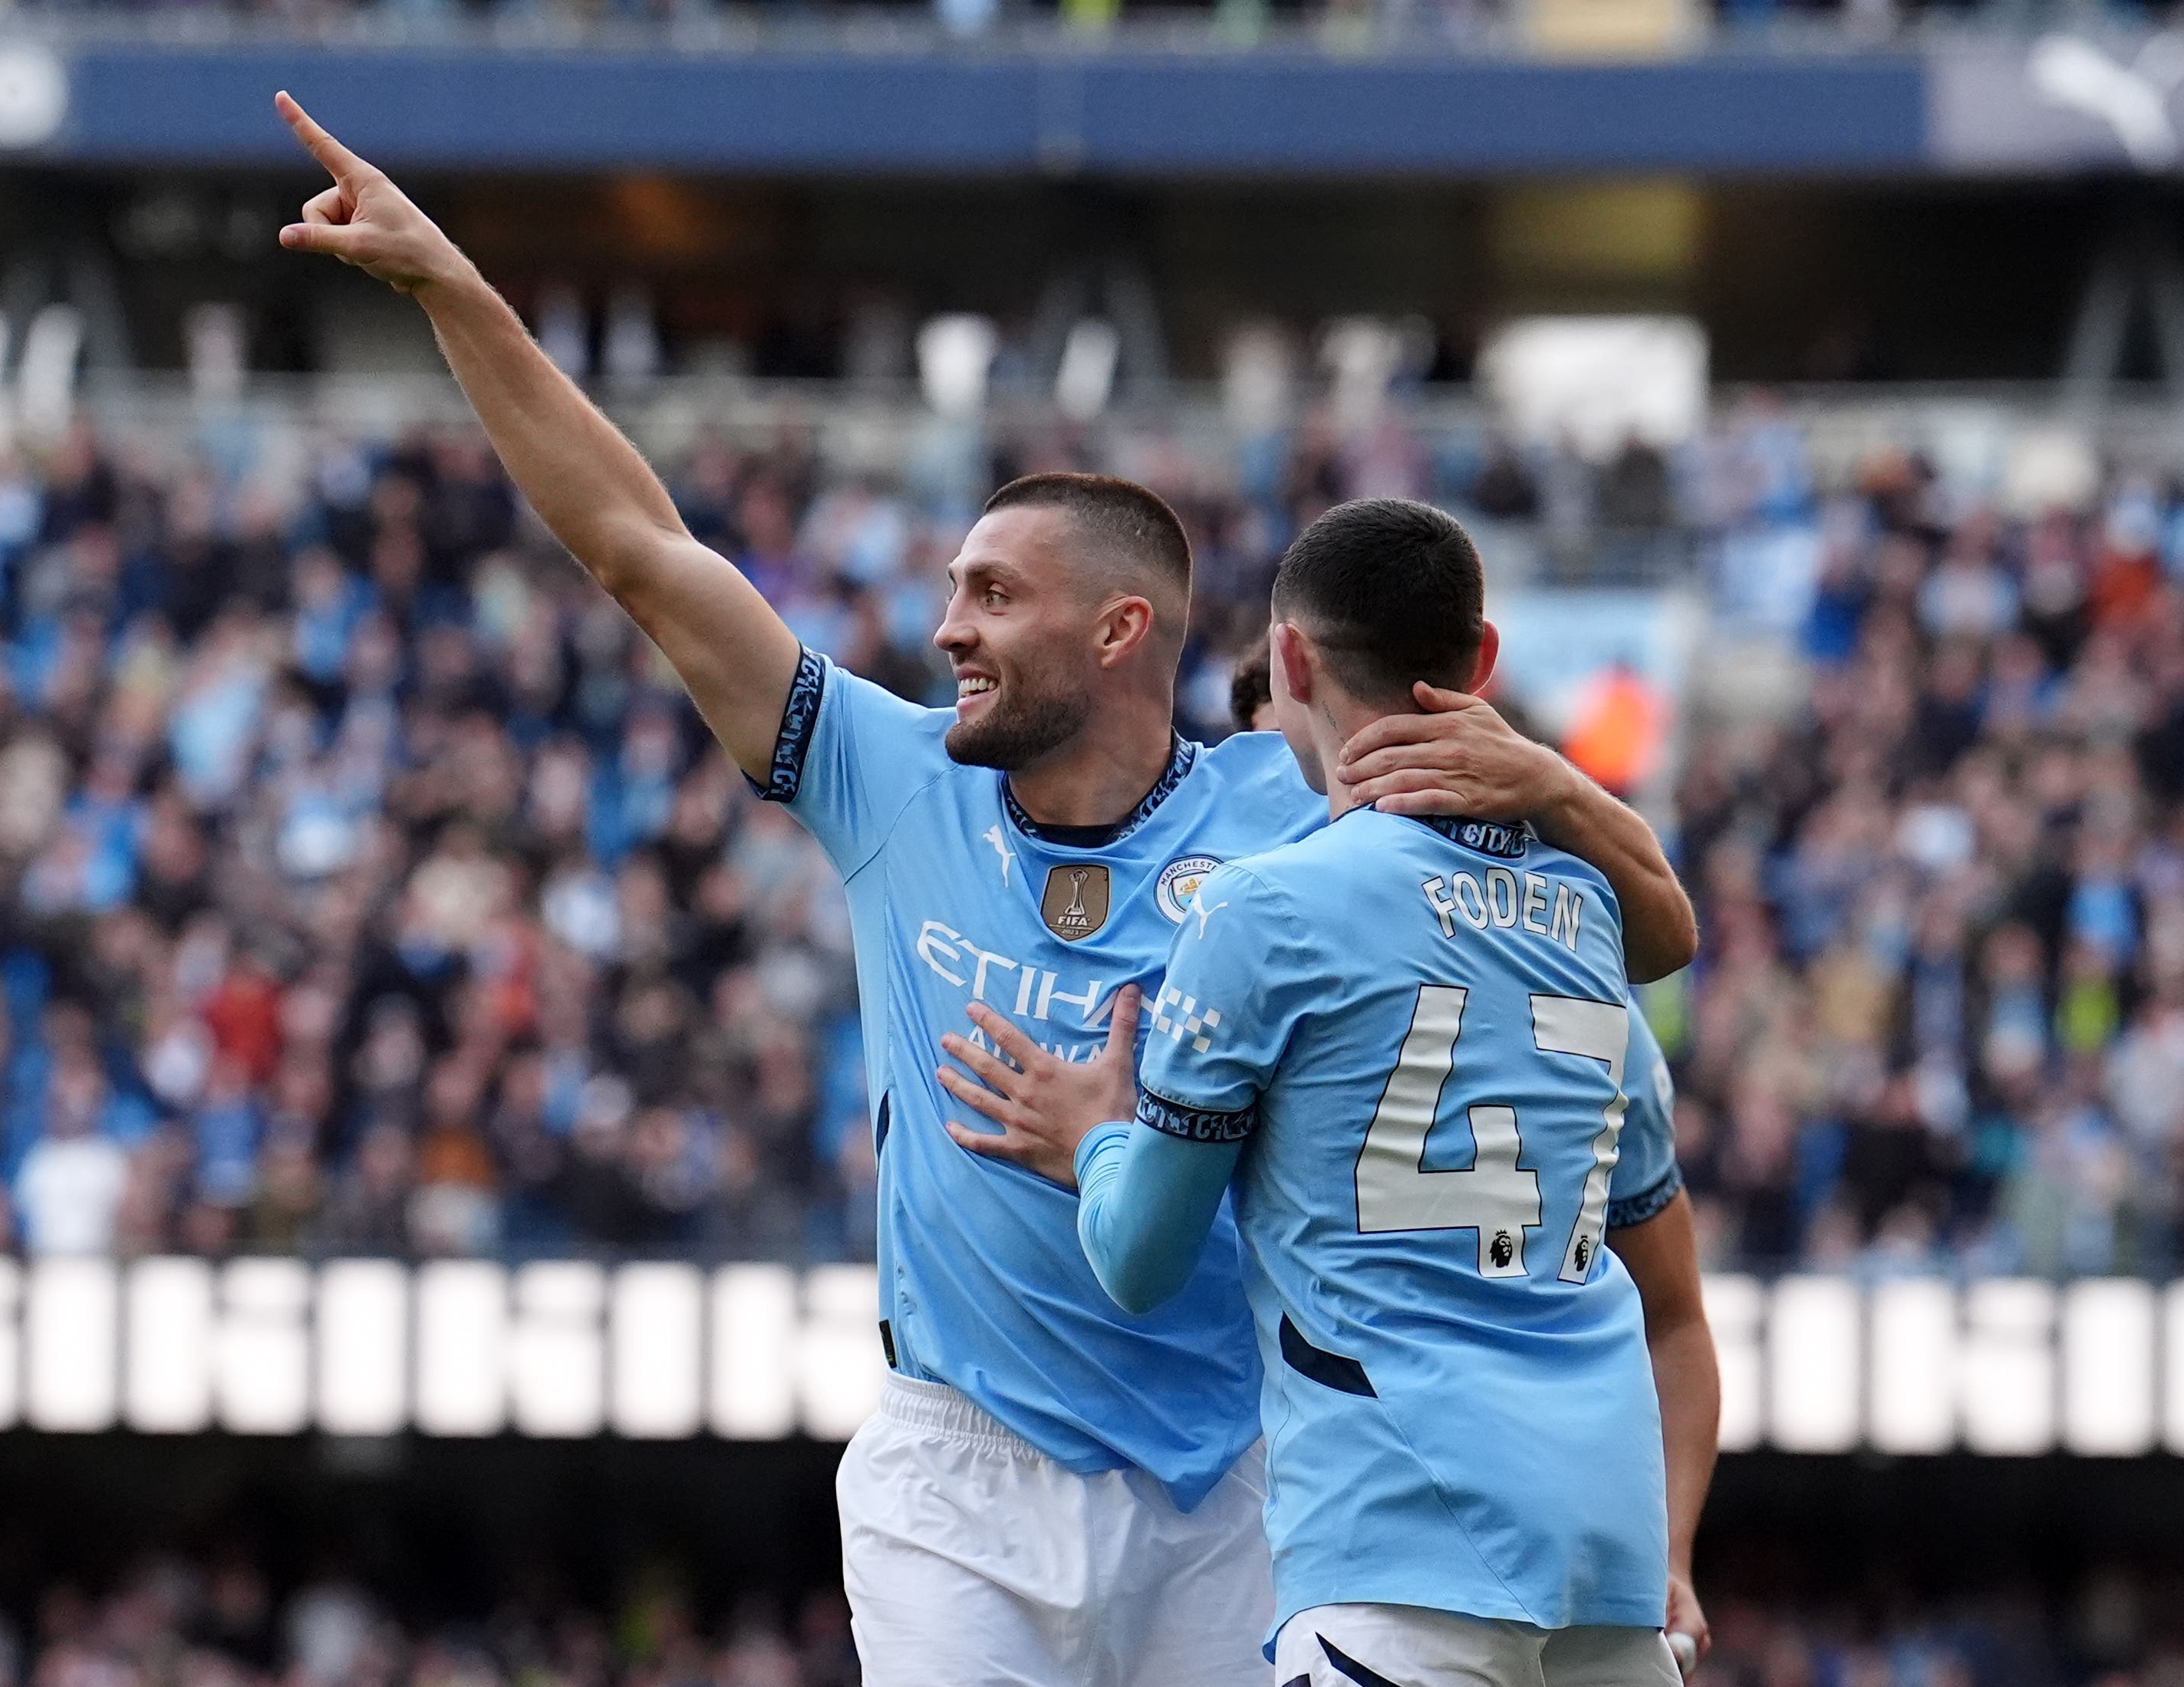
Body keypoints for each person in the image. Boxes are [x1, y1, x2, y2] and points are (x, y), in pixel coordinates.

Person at [272, 96, 1698, 1687]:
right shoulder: (882, 774)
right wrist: (452, 289)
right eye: (952, 586)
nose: (946, 624)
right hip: (962, 1469)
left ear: (1120, 632)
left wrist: (1567, 791)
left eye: (993, 592)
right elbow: (638, 548)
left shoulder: (1298, 815)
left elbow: (1636, 931)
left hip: (1246, 1475)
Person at [944, 499, 1708, 1686]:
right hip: (1607, 1559)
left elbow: (1140, 1261)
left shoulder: (1265, 908)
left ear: (1288, 661)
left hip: (1404, 1544)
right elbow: (1672, 928)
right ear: (1482, 662)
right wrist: (1560, 787)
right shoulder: (1592, 907)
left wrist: (1099, 1142)